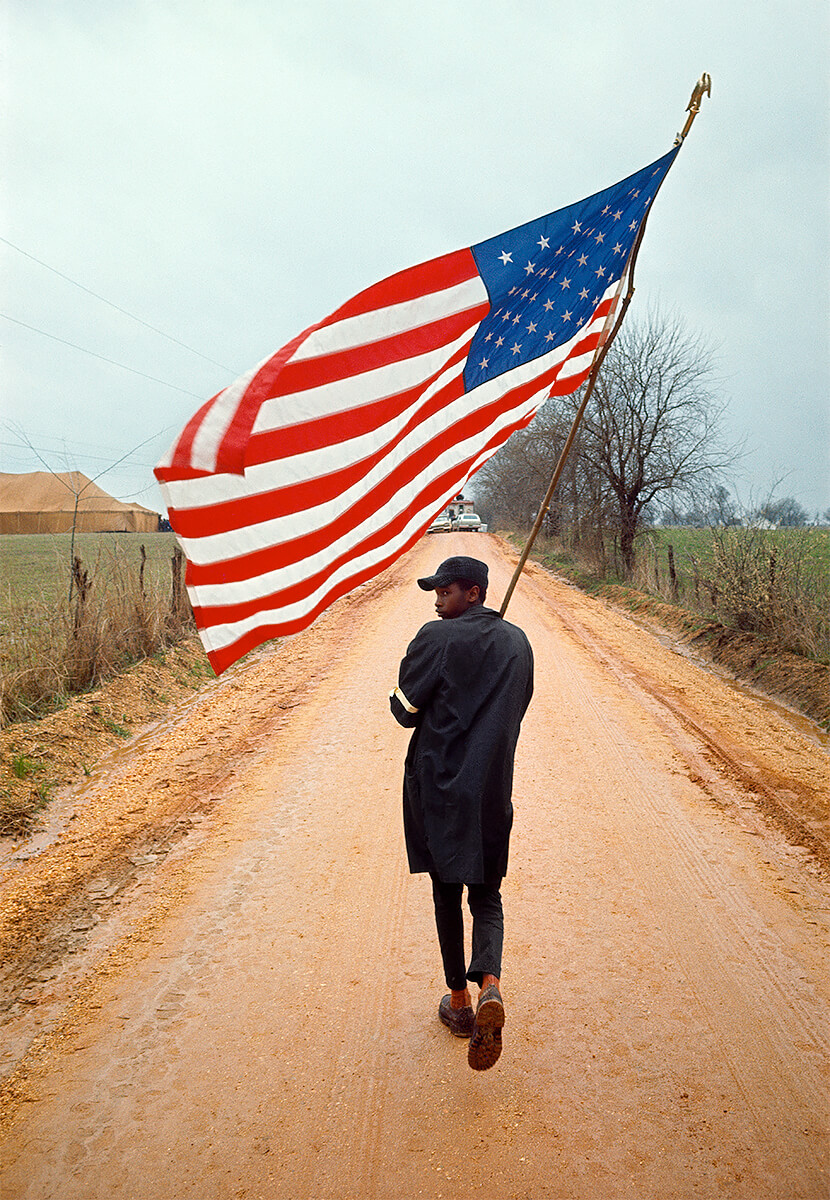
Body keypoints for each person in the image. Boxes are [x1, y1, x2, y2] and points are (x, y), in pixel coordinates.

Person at [389, 555, 533, 1070]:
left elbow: (404, 710)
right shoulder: (517, 643)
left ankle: (460, 1002)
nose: (436, 598)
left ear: (473, 593)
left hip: (440, 789)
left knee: (446, 892)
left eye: (445, 591)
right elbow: (514, 710)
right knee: (487, 893)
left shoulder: (435, 638)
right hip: (492, 789)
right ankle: (490, 982)